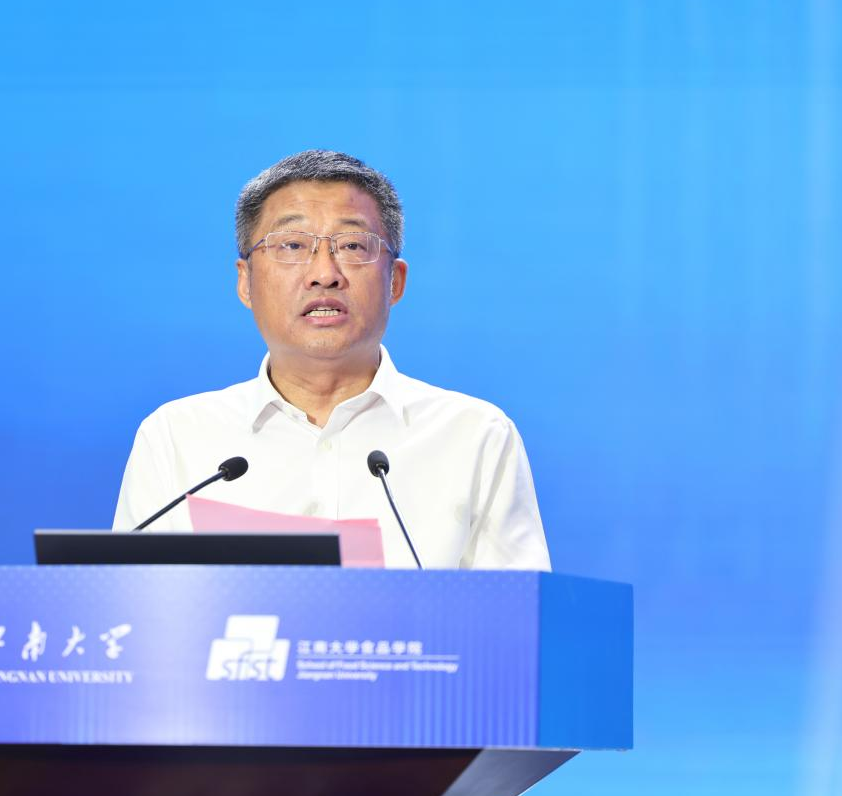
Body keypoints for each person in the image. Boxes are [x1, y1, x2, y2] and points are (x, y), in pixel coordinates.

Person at [113, 150, 550, 571]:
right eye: (292, 244)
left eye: (353, 245)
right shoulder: (176, 438)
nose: (324, 274)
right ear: (245, 282)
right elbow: (130, 608)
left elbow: (519, 614)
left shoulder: (474, 437)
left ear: (395, 282)